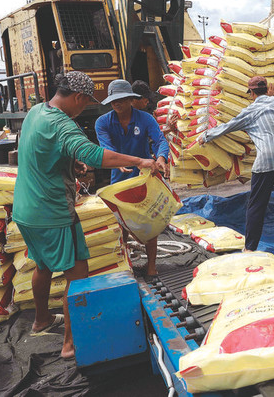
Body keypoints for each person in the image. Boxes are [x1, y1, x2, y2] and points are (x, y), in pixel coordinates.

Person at [13, 71, 158, 359]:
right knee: (78, 275)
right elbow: (96, 155)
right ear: (78, 97)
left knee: (42, 265)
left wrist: (70, 164)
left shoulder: (36, 112)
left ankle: (41, 320)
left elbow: (44, 152)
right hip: (52, 211)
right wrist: (141, 160)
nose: (84, 108)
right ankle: (71, 343)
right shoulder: (63, 125)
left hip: (25, 209)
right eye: (86, 102)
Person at [199, 76, 274, 257]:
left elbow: (229, 126)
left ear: (251, 93)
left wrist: (206, 136)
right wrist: (272, 95)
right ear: (268, 89)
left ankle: (250, 247)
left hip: (267, 161)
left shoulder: (250, 111)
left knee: (257, 205)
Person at [95, 79, 169, 277]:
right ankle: (125, 264)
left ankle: (151, 266)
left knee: (149, 221)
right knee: (121, 224)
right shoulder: (102, 122)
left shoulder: (145, 119)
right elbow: (106, 147)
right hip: (119, 179)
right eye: (113, 101)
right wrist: (115, 161)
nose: (116, 104)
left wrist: (161, 158)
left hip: (145, 178)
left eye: (120, 99)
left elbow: (159, 140)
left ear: (130, 99)